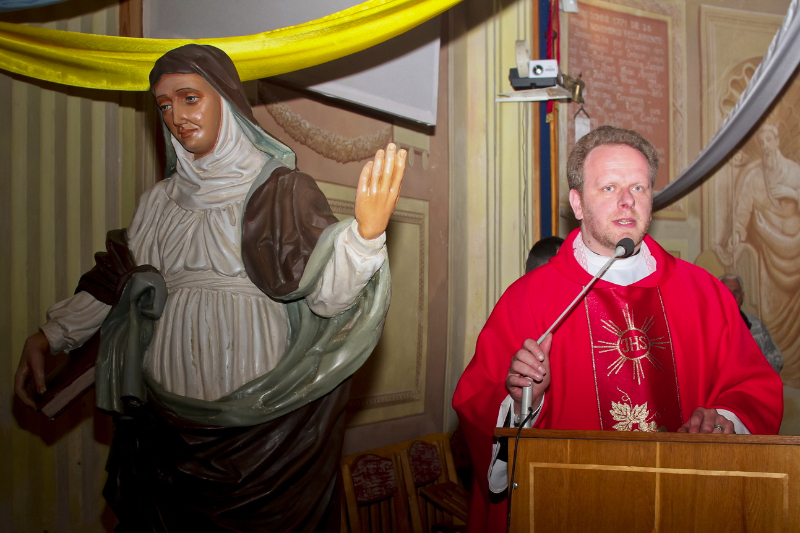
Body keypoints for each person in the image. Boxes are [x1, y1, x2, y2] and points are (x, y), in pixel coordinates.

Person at [14, 44, 406, 532]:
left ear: (225, 99)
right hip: (164, 434)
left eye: (189, 98)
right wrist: (51, 335)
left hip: (259, 439)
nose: (176, 116)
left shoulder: (281, 190)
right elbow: (118, 281)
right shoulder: (157, 202)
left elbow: (328, 298)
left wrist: (364, 236)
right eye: (164, 105)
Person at [453, 125, 783, 532]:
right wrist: (525, 402)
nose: (627, 201)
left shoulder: (703, 292)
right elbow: (476, 403)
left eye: (639, 188)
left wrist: (724, 418)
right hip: (571, 509)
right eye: (609, 188)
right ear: (577, 203)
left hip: (685, 504)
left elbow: (753, 385)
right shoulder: (529, 299)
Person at [720, 273, 783, 374]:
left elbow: (776, 359)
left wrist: (760, 375)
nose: (732, 296)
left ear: (742, 296)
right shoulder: (707, 328)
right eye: (727, 291)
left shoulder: (756, 325)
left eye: (736, 292)